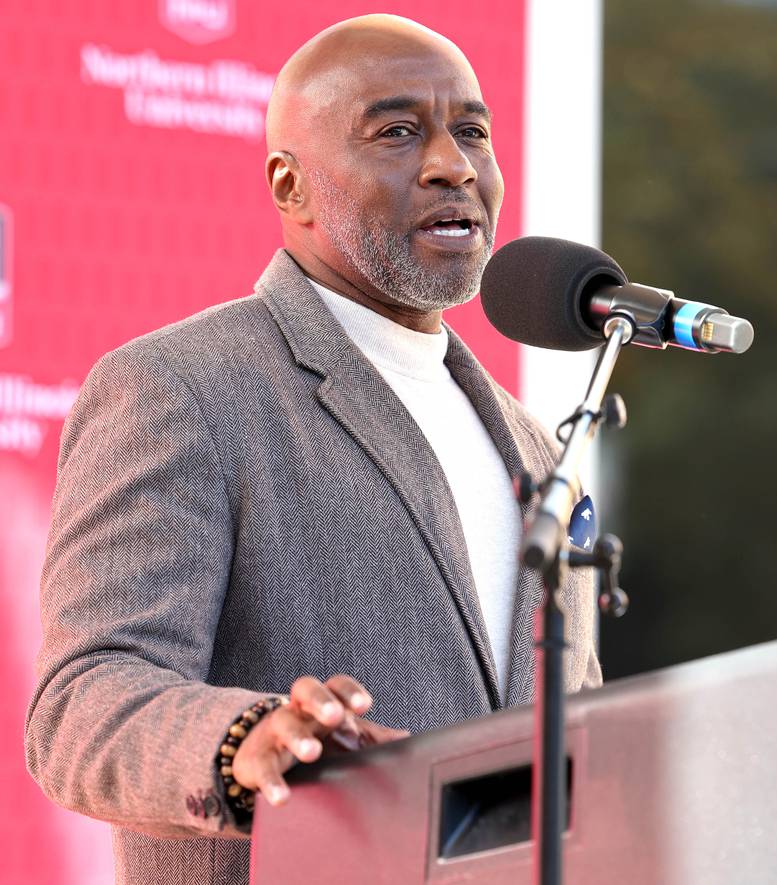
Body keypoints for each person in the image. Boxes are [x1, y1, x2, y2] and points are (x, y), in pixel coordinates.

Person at [25, 14, 601, 885]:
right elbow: (81, 704)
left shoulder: (535, 448)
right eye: (399, 131)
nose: (454, 164)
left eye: (472, 131)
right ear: (290, 185)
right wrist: (242, 744)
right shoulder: (181, 387)